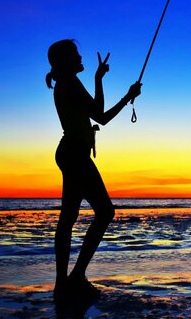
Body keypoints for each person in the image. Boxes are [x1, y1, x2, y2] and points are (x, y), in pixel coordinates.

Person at [45, 39, 141, 299]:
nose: (80, 57)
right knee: (105, 212)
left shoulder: (67, 83)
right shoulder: (69, 83)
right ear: (66, 60)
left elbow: (98, 115)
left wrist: (105, 82)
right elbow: (100, 115)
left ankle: (64, 283)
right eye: (75, 54)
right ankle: (73, 278)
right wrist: (123, 94)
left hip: (71, 153)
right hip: (75, 154)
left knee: (69, 219)